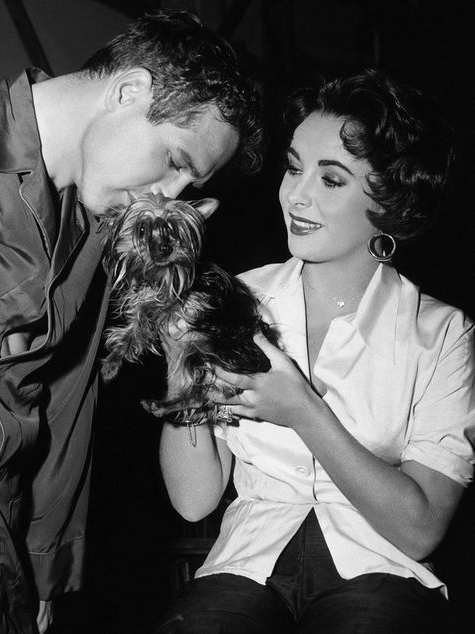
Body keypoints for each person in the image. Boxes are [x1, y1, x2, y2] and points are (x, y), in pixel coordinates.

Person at [0, 9, 262, 634]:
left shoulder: (98, 231)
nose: (171, 196)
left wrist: (46, 565)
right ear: (128, 91)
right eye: (174, 160)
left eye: (190, 182)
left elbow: (66, 405)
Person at [156, 69, 475, 633]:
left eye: (332, 180)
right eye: (294, 167)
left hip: (380, 565)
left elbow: (421, 528)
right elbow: (194, 500)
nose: (295, 195)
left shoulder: (442, 333)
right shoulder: (238, 299)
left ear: (392, 201)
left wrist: (302, 409)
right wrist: (183, 362)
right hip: (246, 562)